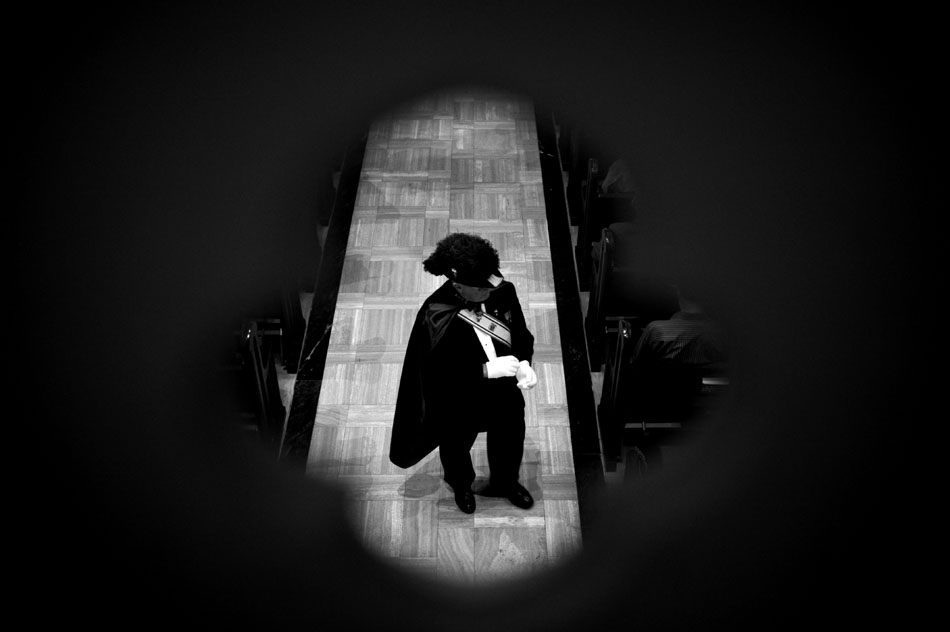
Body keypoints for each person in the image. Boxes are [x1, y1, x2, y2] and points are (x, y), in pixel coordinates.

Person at [388, 233, 538, 514]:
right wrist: (485, 370)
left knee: (510, 435)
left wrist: (526, 362)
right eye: (481, 288)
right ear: (458, 284)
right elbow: (435, 375)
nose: (490, 291)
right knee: (456, 446)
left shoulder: (503, 291)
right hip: (460, 397)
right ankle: (462, 486)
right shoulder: (436, 313)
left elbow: (519, 333)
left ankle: (506, 483)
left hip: (504, 389)